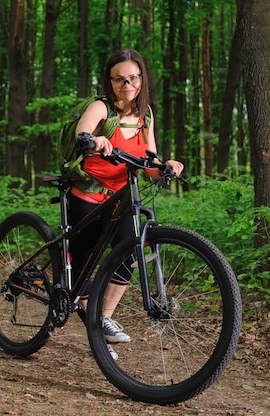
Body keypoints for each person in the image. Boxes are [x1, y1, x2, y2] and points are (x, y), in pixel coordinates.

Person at [69, 48, 184, 359]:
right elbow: (83, 133)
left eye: (133, 78)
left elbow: (149, 161)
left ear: (141, 78)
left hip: (122, 197)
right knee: (83, 266)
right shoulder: (100, 108)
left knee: (129, 254)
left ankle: (100, 319)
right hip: (88, 195)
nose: (127, 84)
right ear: (110, 81)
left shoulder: (145, 115)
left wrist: (164, 167)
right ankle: (94, 325)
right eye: (119, 79)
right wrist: (94, 141)